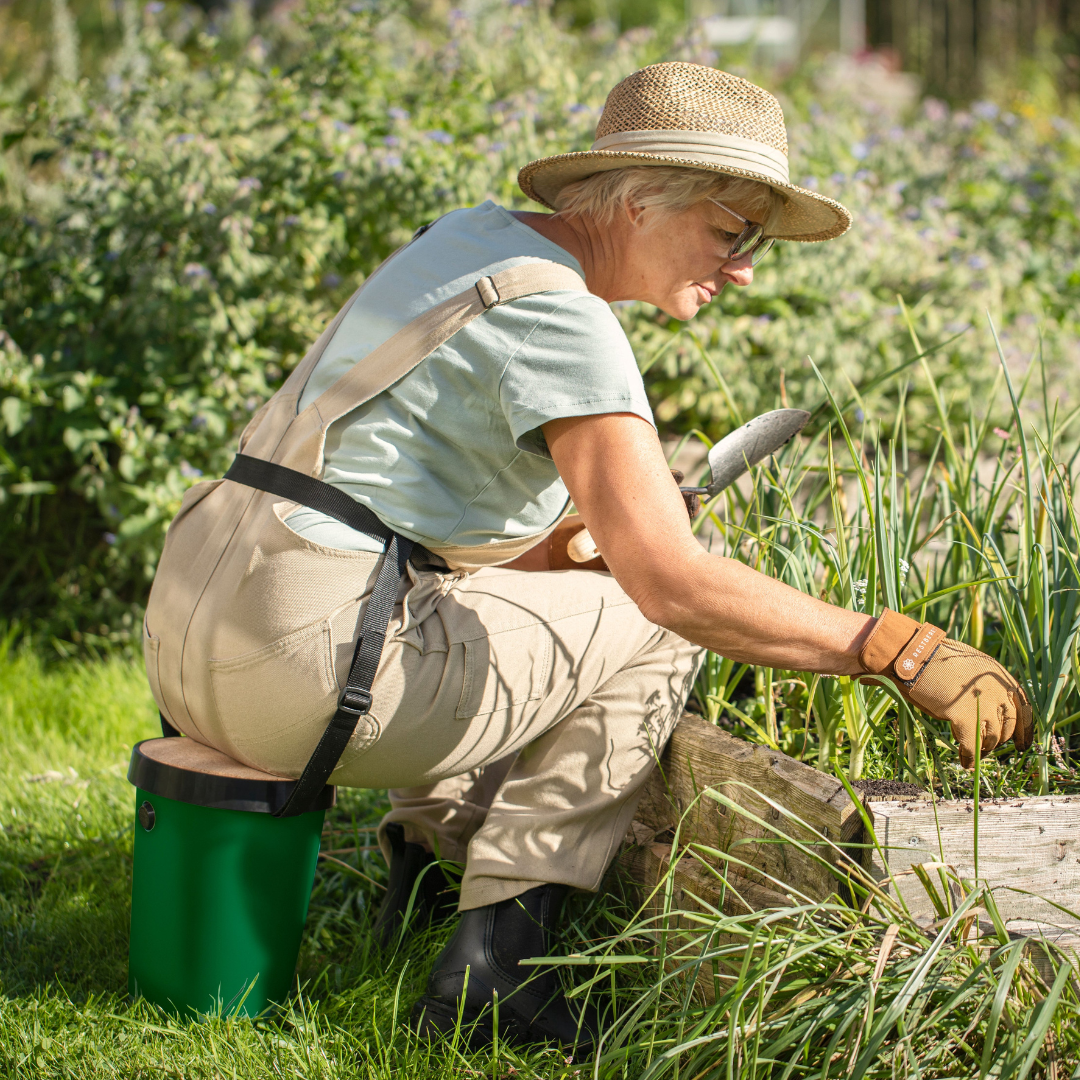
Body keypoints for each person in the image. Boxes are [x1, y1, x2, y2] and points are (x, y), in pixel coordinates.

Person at [142, 61, 1032, 1053]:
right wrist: (896, 647)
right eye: (734, 232)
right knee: (652, 623)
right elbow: (675, 583)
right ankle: (501, 965)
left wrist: (561, 544)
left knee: (561, 588)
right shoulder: (567, 319)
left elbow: (393, 498)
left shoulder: (468, 244)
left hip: (196, 636)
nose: (746, 268)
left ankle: (425, 883)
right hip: (304, 685)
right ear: (643, 201)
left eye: (760, 243)